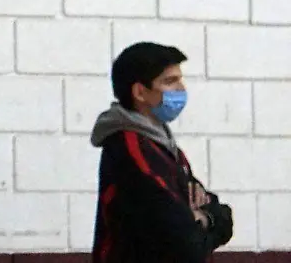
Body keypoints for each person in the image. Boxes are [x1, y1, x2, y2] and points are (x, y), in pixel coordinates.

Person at [90, 42, 233, 262]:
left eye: (180, 79)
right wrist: (197, 219)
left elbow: (222, 215)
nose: (181, 89)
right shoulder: (131, 150)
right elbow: (183, 244)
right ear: (140, 92)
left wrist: (204, 217)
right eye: (169, 81)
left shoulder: (165, 147)